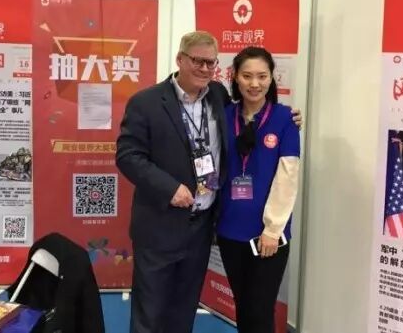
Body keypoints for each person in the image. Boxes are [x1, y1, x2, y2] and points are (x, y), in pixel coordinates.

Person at [115, 32, 301, 333]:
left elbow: (253, 119)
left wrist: (290, 118)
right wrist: (169, 188)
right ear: (180, 60)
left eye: (211, 63)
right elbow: (128, 156)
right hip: (161, 224)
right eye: (197, 61)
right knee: (150, 310)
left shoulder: (217, 96)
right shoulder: (146, 102)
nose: (204, 68)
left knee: (184, 308)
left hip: (202, 227)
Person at [216, 46, 300, 333]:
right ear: (235, 77)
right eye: (247, 76)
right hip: (229, 229)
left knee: (260, 310)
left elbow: (288, 176)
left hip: (267, 234)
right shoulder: (224, 116)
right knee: (242, 305)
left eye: (262, 76)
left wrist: (273, 229)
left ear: (271, 78)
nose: (255, 83)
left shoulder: (285, 119)